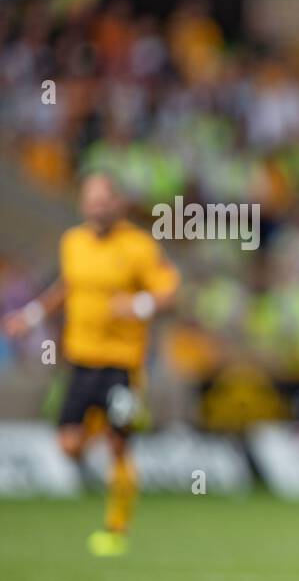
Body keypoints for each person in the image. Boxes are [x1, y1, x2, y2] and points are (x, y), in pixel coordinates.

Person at [3, 172, 180, 556]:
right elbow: (66, 287)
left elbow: (169, 289)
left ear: (117, 203)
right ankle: (101, 424)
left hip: (121, 364)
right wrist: (30, 316)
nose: (98, 206)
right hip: (80, 361)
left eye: (105, 199)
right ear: (83, 204)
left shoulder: (138, 246)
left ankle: (116, 528)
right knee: (68, 445)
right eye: (92, 199)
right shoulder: (73, 242)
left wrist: (138, 305)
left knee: (120, 446)